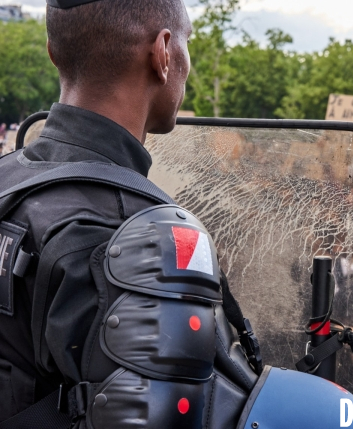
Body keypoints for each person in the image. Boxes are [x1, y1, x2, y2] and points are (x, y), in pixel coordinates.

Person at [0, 1, 254, 427]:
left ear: (51, 51)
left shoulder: (7, 179)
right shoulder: (134, 232)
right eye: (187, 42)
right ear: (164, 53)